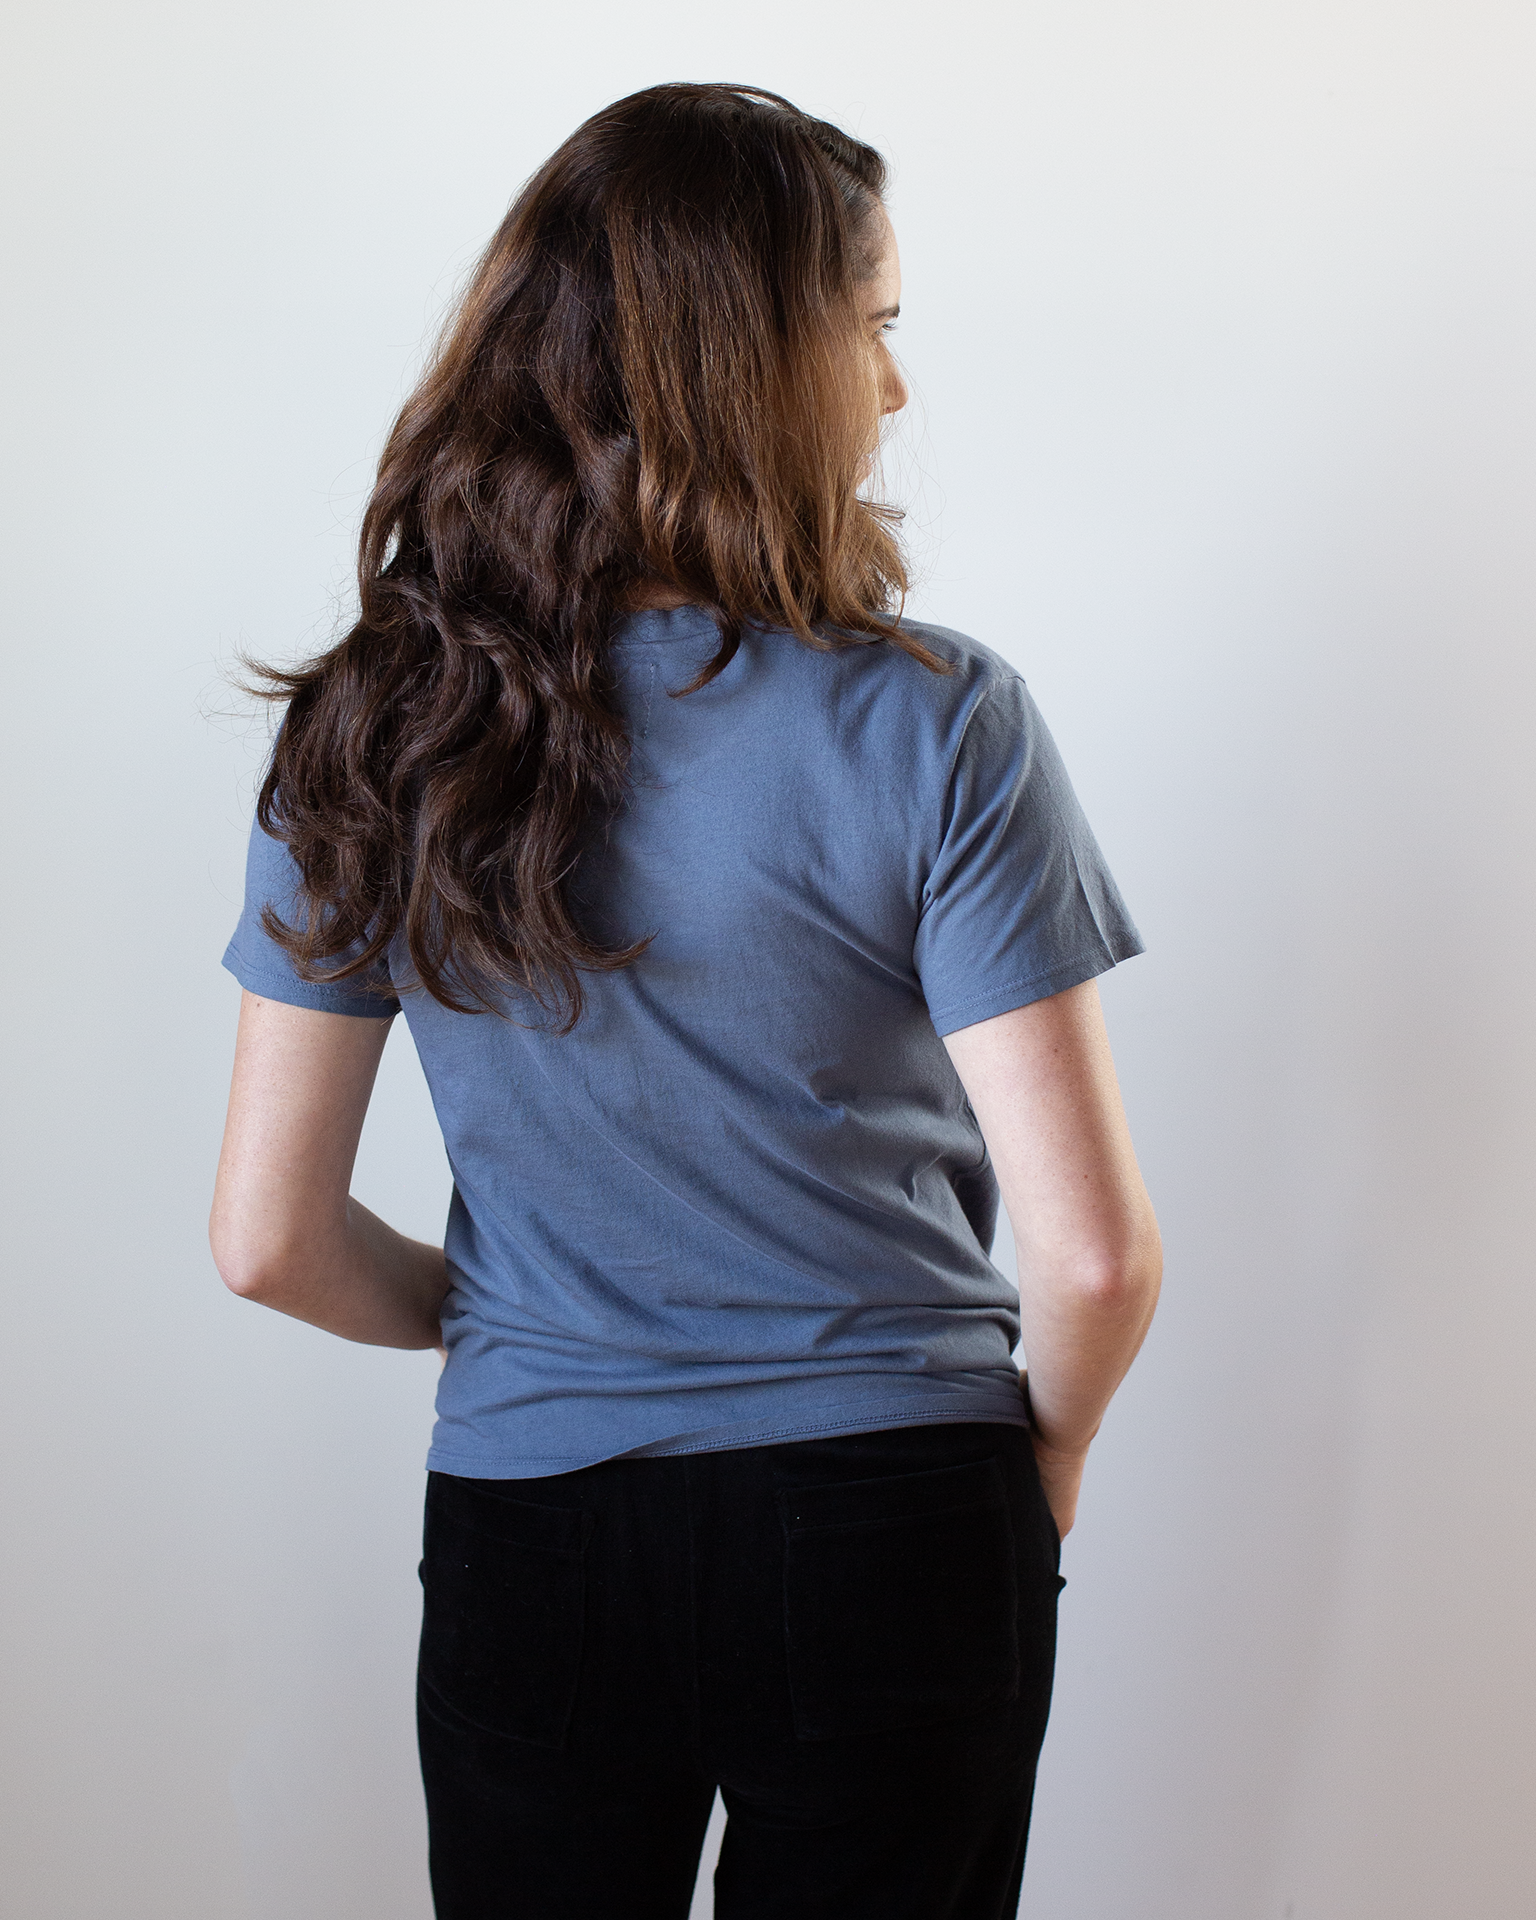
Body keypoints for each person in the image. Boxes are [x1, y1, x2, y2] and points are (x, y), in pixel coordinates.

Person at [210, 82, 1162, 1920]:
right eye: (872, 327)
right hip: (901, 1508)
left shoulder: (372, 735)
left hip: (536, 1518)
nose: (894, 390)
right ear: (748, 356)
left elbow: (265, 1239)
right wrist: (1034, 1480)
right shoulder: (936, 718)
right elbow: (1099, 1263)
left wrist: (509, 1328)